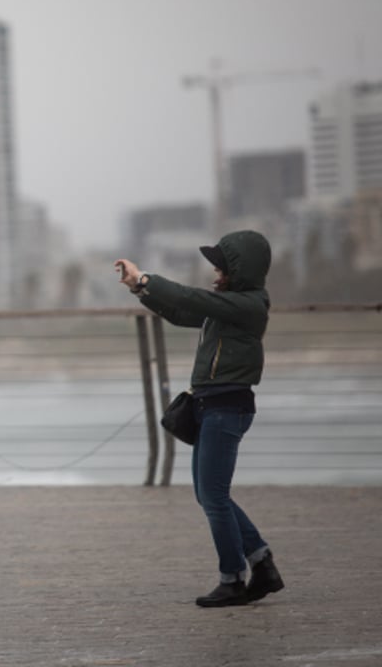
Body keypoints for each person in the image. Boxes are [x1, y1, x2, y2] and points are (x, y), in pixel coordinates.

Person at [114, 230, 285, 607]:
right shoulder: (227, 305)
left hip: (228, 407)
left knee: (214, 495)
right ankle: (262, 563)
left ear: (239, 270)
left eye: (220, 265)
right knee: (208, 495)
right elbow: (180, 311)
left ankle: (233, 579)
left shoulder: (249, 305)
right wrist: (139, 289)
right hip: (210, 405)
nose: (214, 271)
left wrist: (147, 278)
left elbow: (191, 297)